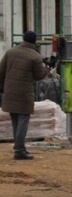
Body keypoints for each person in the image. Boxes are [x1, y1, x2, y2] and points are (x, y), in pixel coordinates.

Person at [0, 31, 50, 160]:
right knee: (23, 121)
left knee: (15, 121)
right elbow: (39, 76)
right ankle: (19, 150)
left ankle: (18, 147)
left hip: (10, 92)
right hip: (24, 93)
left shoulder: (10, 52)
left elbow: (1, 71)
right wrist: (48, 67)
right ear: (34, 42)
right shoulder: (35, 57)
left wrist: (2, 89)